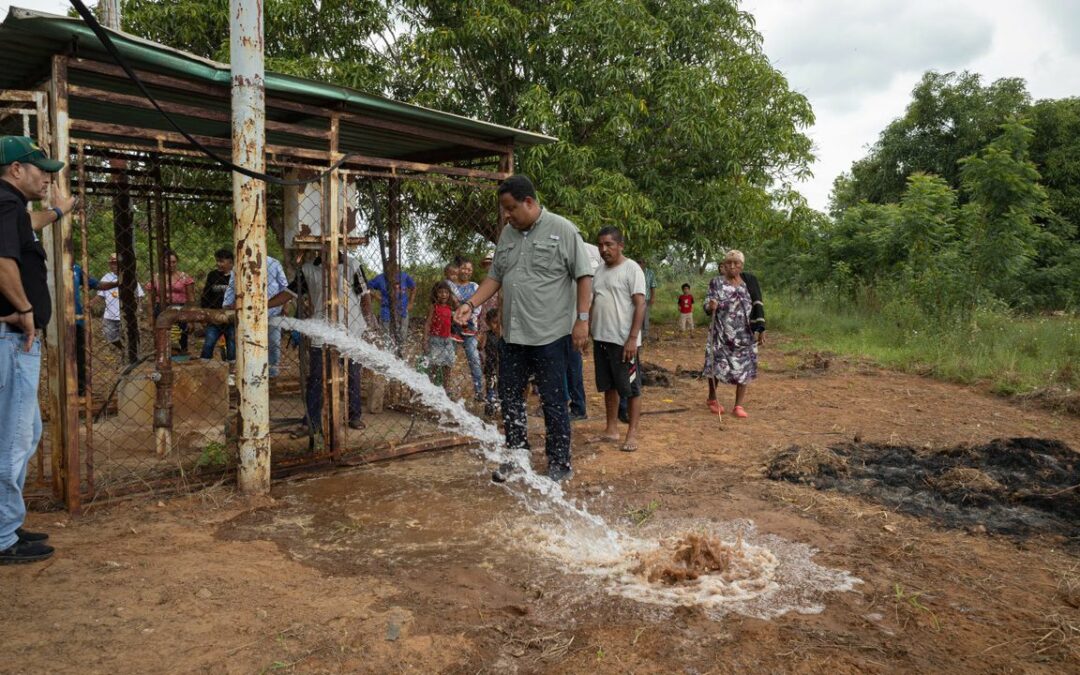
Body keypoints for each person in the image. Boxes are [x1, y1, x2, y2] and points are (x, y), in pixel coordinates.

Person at [453, 174, 593, 484]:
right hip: (513, 335)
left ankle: (559, 462)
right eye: (504, 209)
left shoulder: (563, 230)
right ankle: (517, 457)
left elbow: (584, 276)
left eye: (511, 208)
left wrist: (582, 320)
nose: (506, 215)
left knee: (553, 400)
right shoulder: (508, 235)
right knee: (511, 398)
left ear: (529, 202)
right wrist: (471, 303)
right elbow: (496, 277)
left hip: (550, 335)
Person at [0, 135, 74, 564]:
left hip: (16, 343)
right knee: (12, 439)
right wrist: (25, 308)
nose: (47, 177)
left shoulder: (12, 210)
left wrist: (63, 209)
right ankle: (3, 537)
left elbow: (32, 225)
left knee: (26, 436)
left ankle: (7, 522)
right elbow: (3, 260)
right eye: (40, 170)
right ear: (15, 170)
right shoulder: (5, 205)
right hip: (14, 340)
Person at [290, 251, 372, 437]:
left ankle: (354, 415)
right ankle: (311, 421)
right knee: (317, 377)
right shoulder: (308, 269)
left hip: (351, 329)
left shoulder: (352, 265)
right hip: (322, 330)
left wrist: (368, 322)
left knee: (352, 374)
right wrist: (262, 305)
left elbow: (365, 295)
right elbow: (289, 293)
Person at [587, 227, 646, 452]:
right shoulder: (599, 271)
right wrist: (590, 328)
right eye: (601, 245)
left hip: (623, 341)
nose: (604, 249)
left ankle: (632, 433)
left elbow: (640, 304)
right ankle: (611, 430)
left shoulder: (632, 269)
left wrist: (632, 338)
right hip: (601, 337)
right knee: (608, 386)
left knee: (631, 388)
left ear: (620, 245)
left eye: (609, 244)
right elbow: (594, 301)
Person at [702, 249, 765, 418]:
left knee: (744, 368)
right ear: (724, 265)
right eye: (729, 263)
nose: (732, 266)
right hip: (721, 333)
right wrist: (711, 305)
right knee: (716, 365)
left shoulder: (748, 283)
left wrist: (760, 329)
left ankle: (738, 405)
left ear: (741, 265)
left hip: (745, 334)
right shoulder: (716, 282)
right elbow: (706, 304)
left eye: (736, 263)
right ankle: (712, 399)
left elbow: (758, 306)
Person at [222, 254, 295, 377]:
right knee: (248, 343)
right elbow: (232, 286)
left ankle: (272, 374)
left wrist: (286, 305)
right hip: (248, 313)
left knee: (273, 343)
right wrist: (227, 304)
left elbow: (284, 285)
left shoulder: (274, 263)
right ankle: (250, 373)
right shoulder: (240, 264)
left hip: (272, 311)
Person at [72, 262, 117, 395]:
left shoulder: (75, 268)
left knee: (80, 356)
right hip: (55, 319)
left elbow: (96, 284)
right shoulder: (47, 265)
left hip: (77, 319)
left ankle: (81, 391)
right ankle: (62, 390)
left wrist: (118, 283)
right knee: (60, 356)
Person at [145, 249, 196, 354]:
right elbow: (150, 300)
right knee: (162, 334)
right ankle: (162, 357)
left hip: (180, 308)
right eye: (168, 262)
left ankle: (182, 354)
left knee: (181, 335)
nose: (171, 265)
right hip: (161, 308)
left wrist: (191, 318)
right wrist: (150, 317)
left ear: (177, 262)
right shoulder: (156, 277)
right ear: (163, 262)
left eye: (174, 262)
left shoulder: (184, 277)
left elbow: (191, 298)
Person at [451, 257, 484, 401]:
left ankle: (478, 391)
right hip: (452, 326)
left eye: (469, 269)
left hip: (470, 327)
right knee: (448, 358)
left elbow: (478, 306)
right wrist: (456, 315)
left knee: (474, 358)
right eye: (464, 268)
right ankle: (444, 389)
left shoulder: (475, 286)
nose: (466, 271)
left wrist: (467, 316)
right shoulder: (449, 286)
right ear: (457, 269)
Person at [97, 253, 144, 352]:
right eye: (112, 263)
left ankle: (132, 352)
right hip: (110, 314)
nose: (114, 266)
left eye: (116, 263)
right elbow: (100, 295)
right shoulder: (106, 278)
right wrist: (90, 304)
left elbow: (139, 295)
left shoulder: (129, 277)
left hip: (126, 314)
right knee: (109, 335)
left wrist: (139, 308)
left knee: (129, 334)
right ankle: (123, 349)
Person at [199, 248, 235, 362]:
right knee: (209, 343)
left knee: (232, 345)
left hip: (232, 318)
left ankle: (232, 372)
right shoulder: (213, 275)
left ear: (231, 262)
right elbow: (205, 295)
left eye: (221, 261)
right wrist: (204, 315)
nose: (218, 264)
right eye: (217, 261)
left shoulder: (237, 276)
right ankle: (205, 366)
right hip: (215, 317)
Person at [423, 280, 457, 390]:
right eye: (440, 292)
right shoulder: (434, 307)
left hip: (447, 340)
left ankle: (446, 388)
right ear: (435, 294)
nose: (443, 295)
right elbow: (428, 323)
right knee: (434, 365)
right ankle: (431, 387)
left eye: (446, 292)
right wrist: (425, 340)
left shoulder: (450, 308)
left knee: (448, 364)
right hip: (435, 340)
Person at [368, 268, 415, 347]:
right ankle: (388, 354)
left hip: (402, 312)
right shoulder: (380, 278)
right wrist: (378, 297)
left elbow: (413, 287)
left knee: (402, 336)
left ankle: (400, 353)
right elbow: (368, 287)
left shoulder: (404, 276)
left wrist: (411, 303)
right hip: (387, 312)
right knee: (387, 338)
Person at [482, 306, 503, 418]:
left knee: (501, 389)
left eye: (499, 323)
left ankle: (499, 410)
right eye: (494, 323)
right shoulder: (487, 334)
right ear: (488, 323)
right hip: (491, 366)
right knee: (490, 388)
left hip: (502, 368)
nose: (497, 326)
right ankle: (489, 410)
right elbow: (480, 347)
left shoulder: (504, 336)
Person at [639, 259, 658, 342]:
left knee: (645, 316)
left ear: (644, 263)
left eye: (640, 262)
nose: (639, 264)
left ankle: (645, 335)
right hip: (636, 299)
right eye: (637, 262)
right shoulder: (634, 272)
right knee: (637, 316)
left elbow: (653, 285)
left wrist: (653, 297)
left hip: (646, 298)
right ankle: (638, 334)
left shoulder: (650, 273)